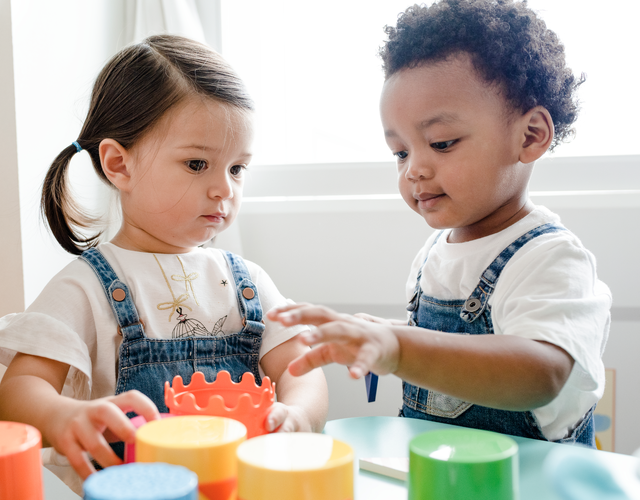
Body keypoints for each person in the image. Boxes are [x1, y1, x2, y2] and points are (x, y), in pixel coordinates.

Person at [268, 0, 610, 448]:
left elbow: (541, 371)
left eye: (441, 143)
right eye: (401, 152)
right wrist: (390, 336)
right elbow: (452, 346)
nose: (414, 170)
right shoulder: (434, 252)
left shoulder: (550, 258)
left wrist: (400, 348)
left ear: (530, 136)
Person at [0, 34, 328, 493]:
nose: (224, 190)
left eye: (237, 169)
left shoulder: (246, 282)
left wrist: (299, 415)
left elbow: (300, 367)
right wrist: (64, 416)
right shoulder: (86, 287)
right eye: (197, 164)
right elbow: (17, 391)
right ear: (119, 165)